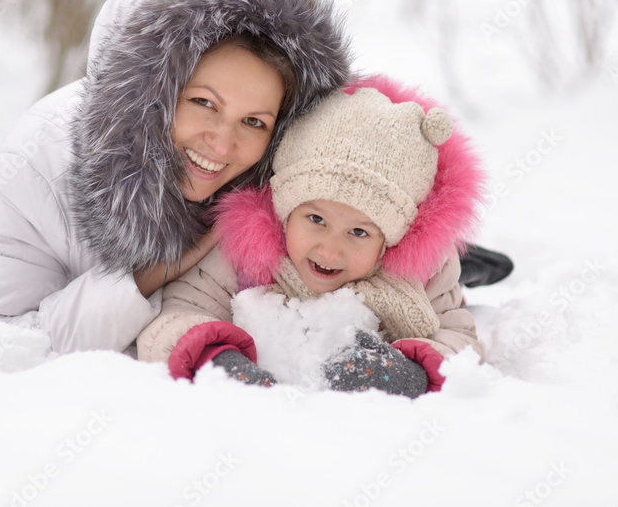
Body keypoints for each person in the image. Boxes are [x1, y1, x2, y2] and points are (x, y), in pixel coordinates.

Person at [0, 0, 354, 353]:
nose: (221, 143)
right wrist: (143, 278)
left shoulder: (282, 190)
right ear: (151, 97)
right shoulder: (39, 162)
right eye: (204, 103)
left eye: (254, 122)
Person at [138, 76, 486, 397]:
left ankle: (478, 263)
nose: (330, 249)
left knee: (459, 276)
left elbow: (457, 336)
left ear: (392, 239)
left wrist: (408, 373)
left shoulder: (424, 271)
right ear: (284, 210)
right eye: (316, 218)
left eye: (359, 232)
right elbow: (179, 312)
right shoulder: (242, 253)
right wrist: (217, 358)